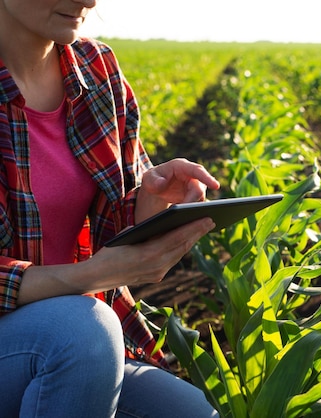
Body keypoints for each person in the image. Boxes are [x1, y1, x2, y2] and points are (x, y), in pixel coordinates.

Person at [0, 0, 221, 416]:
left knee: (194, 413)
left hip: (81, 343)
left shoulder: (95, 69)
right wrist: (87, 277)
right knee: (80, 329)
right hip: (68, 336)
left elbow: (110, 222)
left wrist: (152, 201)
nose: (89, 0)